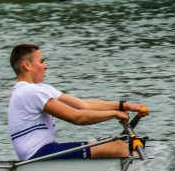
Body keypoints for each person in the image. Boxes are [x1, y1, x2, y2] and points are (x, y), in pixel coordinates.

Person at [8, 44, 148, 161]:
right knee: (118, 147)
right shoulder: (31, 92)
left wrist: (124, 106)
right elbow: (77, 117)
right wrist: (115, 114)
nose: (46, 66)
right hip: (39, 153)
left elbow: (82, 105)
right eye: (41, 61)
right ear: (27, 65)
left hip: (42, 151)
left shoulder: (37, 89)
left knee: (115, 145)